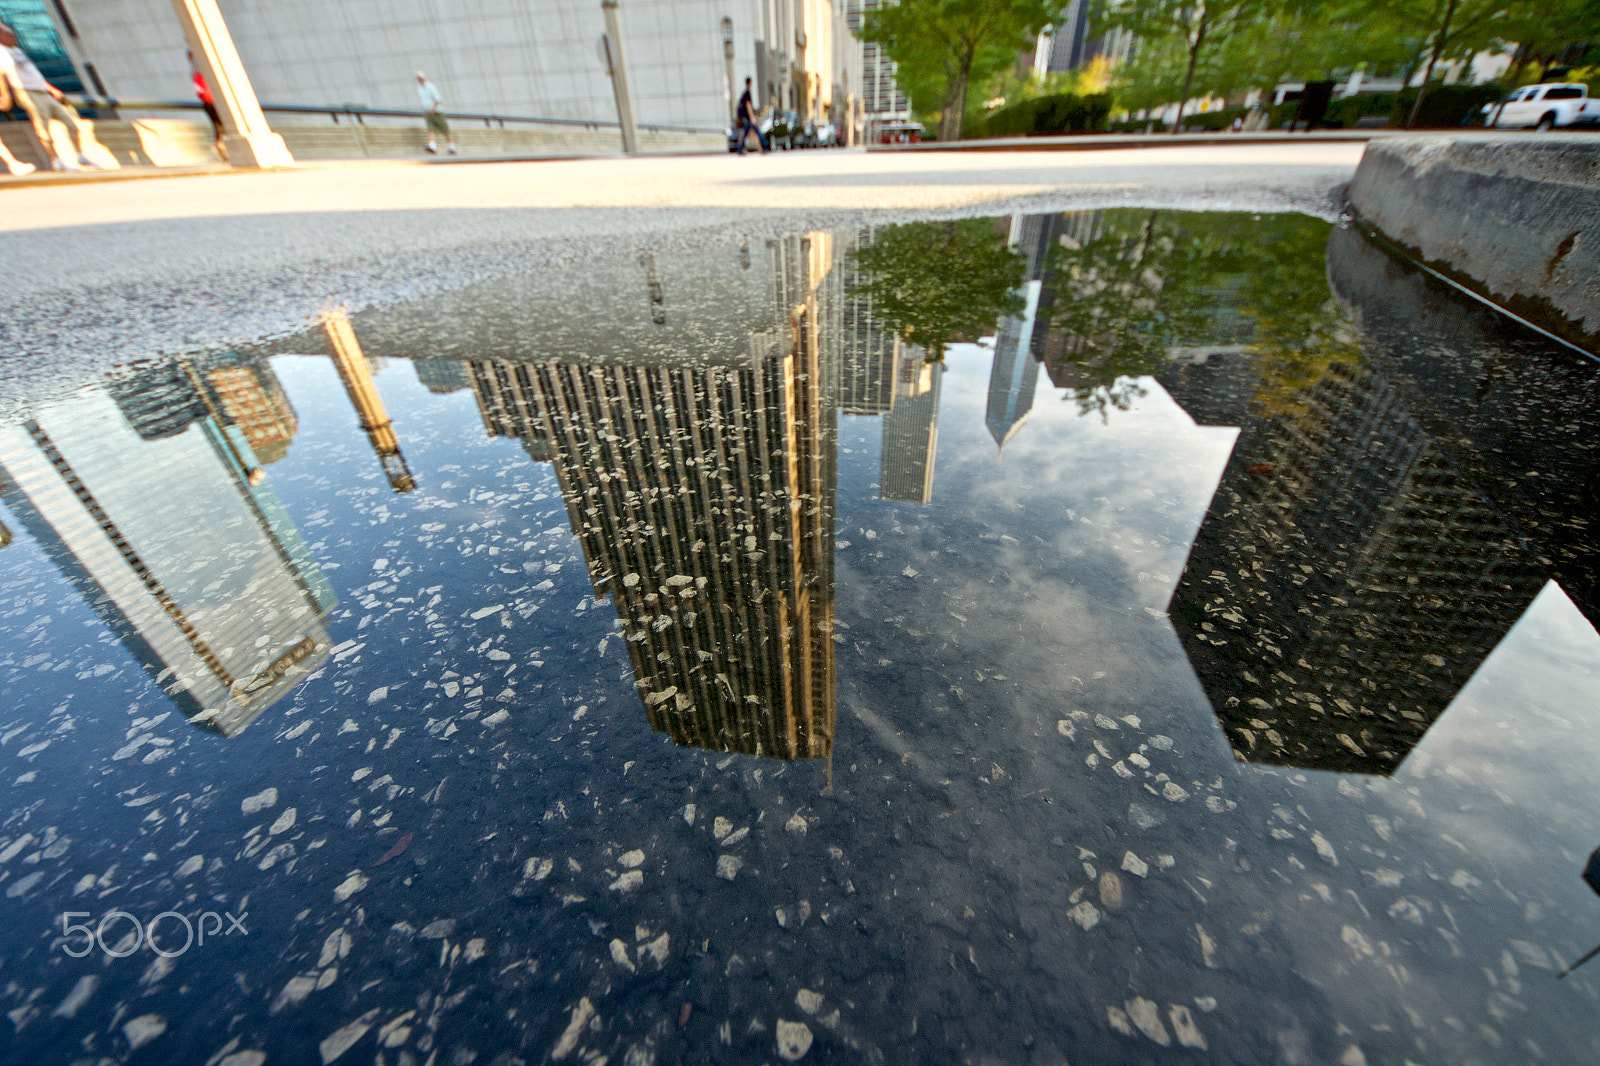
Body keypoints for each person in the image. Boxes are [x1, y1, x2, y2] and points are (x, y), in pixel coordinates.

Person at [0, 20, 95, 171]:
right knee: (43, 129)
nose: (11, 35)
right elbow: (1, 75)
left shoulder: (18, 51)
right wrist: (5, 96)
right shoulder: (2, 53)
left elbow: (35, 74)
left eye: (11, 32)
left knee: (70, 123)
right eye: (6, 33)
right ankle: (56, 161)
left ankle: (79, 155)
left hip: (43, 92)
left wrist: (51, 89)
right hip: (26, 92)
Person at [189, 50, 226, 160]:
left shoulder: (195, 72)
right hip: (213, 101)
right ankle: (221, 147)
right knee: (221, 125)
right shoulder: (204, 71)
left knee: (218, 126)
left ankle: (221, 147)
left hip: (207, 102)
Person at [415, 71, 456, 155]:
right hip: (428, 112)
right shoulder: (419, 88)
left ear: (423, 77)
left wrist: (433, 108)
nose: (419, 79)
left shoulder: (430, 86)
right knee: (431, 129)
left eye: (420, 77)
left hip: (436, 111)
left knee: (444, 130)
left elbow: (438, 99)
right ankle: (432, 147)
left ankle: (451, 146)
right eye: (418, 78)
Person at [735, 77, 767, 155]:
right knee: (758, 132)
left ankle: (740, 150)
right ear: (749, 83)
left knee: (745, 134)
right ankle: (764, 148)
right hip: (748, 118)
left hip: (746, 118)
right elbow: (748, 105)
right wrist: (752, 117)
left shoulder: (745, 93)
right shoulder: (747, 93)